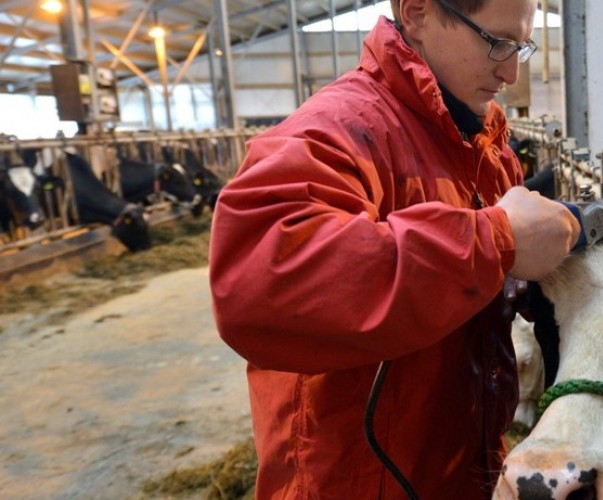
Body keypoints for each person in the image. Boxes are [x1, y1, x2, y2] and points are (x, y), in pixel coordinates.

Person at [207, 0, 580, 498]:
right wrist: (494, 241)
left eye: (522, 47)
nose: (511, 72)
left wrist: (525, 280)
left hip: (460, 469)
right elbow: (262, 284)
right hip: (355, 485)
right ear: (418, 13)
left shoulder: (486, 152)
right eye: (497, 43)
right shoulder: (338, 129)